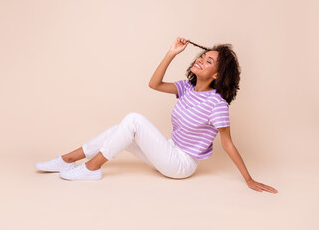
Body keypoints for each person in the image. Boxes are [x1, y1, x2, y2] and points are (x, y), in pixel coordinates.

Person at [35, 37, 278, 194]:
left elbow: (228, 144)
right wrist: (172, 52)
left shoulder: (217, 104)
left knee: (133, 120)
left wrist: (248, 179)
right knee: (122, 130)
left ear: (217, 74)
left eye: (209, 61)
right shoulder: (186, 88)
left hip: (181, 164)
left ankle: (92, 167)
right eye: (202, 56)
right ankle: (67, 159)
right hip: (168, 151)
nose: (201, 60)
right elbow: (154, 84)